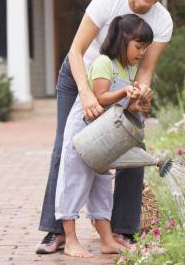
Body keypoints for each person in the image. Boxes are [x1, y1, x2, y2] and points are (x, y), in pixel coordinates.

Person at [36, 0, 178, 254]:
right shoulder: (106, 0)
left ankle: (122, 231)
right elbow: (75, 51)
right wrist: (87, 96)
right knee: (67, 148)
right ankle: (56, 231)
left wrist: (139, 96)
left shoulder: (162, 21)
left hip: (120, 85)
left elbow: (146, 70)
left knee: (131, 148)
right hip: (80, 76)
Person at [55, 14, 153, 257]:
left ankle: (107, 240)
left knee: (101, 185)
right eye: (138, 47)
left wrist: (138, 104)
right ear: (122, 41)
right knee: (74, 182)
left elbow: (120, 108)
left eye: (145, 48)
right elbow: (99, 97)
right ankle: (70, 240)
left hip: (102, 137)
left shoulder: (127, 69)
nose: (141, 53)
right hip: (83, 132)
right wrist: (124, 92)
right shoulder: (103, 63)